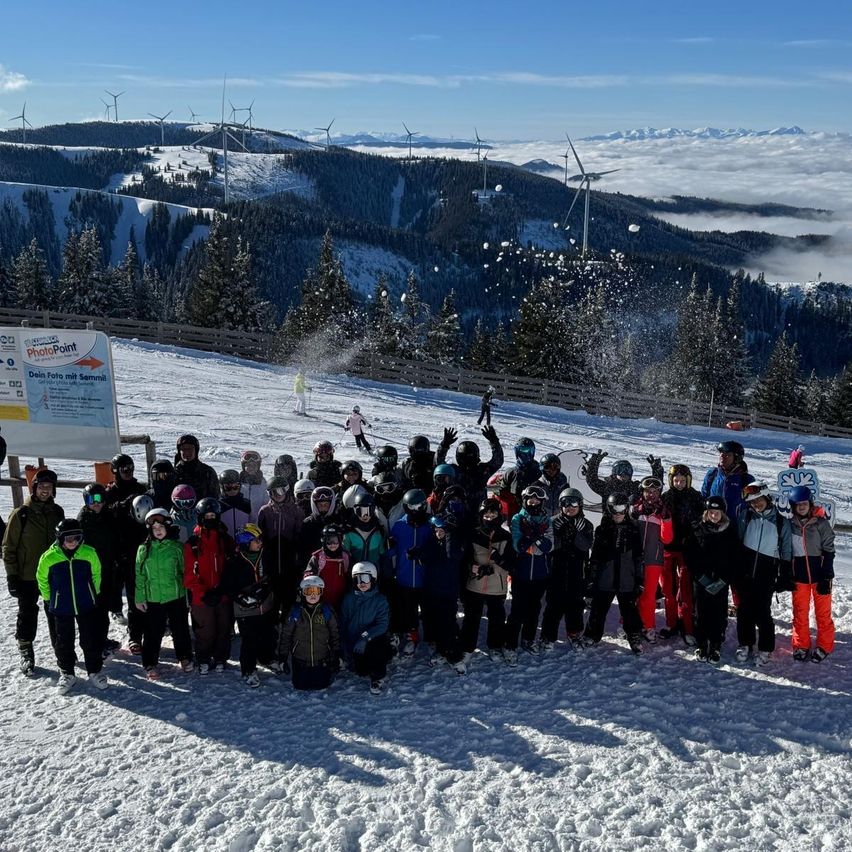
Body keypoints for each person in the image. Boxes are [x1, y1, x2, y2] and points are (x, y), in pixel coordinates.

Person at [3, 468, 64, 676]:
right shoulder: (21, 513)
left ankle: (61, 652)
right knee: (27, 613)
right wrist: (12, 575)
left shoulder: (57, 513)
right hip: (27, 575)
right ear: (34, 488)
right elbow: (8, 547)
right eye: (42, 487)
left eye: (49, 487)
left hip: (52, 575)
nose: (45, 491)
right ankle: (26, 651)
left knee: (55, 614)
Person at [36, 519, 107, 693]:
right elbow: (42, 579)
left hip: (85, 604)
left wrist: (93, 592)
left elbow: (97, 573)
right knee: (63, 641)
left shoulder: (88, 553)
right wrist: (49, 598)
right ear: (60, 538)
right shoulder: (49, 557)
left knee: (90, 639)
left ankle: (94, 671)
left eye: (77, 537)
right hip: (61, 606)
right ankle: (67, 673)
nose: (72, 542)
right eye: (68, 538)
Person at [734, 481, 792, 666]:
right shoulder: (746, 516)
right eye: (752, 502)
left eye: (759, 500)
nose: (756, 504)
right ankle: (745, 643)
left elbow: (786, 550)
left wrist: (784, 574)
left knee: (762, 612)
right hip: (745, 568)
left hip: (766, 571)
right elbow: (739, 541)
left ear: (767, 498)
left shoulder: (781, 521)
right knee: (744, 610)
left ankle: (766, 648)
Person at [134, 508, 193, 679]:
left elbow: (185, 572)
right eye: (154, 528)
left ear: (168, 527)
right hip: (154, 598)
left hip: (176, 596)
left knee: (180, 628)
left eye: (161, 527)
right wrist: (140, 598)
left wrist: (188, 595)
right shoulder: (144, 550)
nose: (158, 530)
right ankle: (150, 662)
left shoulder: (177, 548)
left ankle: (185, 657)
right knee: (153, 631)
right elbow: (140, 575)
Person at [582, 493, 644, 654]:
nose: (618, 513)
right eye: (614, 509)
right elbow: (595, 557)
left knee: (629, 610)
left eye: (622, 509)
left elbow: (638, 557)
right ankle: (592, 634)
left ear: (627, 510)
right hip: (606, 577)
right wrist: (592, 579)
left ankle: (634, 637)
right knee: (598, 608)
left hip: (626, 577)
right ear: (609, 510)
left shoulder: (633, 529)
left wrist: (639, 579)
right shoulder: (602, 530)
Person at [221, 523, 279, 687]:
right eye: (256, 540)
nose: (260, 543)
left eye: (261, 539)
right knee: (250, 640)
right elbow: (228, 586)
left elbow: (273, 575)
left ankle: (267, 658)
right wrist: (241, 597)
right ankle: (248, 669)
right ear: (246, 543)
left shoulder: (265, 555)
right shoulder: (234, 561)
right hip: (245, 610)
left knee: (268, 634)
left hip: (265, 605)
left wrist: (267, 588)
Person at [685, 496, 739, 664]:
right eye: (711, 512)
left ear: (722, 513)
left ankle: (715, 644)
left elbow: (735, 557)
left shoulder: (729, 530)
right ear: (706, 512)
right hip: (702, 579)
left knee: (718, 612)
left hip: (720, 580)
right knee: (701, 611)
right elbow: (690, 554)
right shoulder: (697, 528)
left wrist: (724, 579)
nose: (714, 516)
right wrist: (701, 577)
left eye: (717, 513)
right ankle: (701, 643)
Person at [460, 497, 514, 663]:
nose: (489, 518)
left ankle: (495, 646)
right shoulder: (475, 534)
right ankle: (467, 648)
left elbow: (512, 563)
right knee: (471, 617)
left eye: (493, 515)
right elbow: (464, 559)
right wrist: (473, 567)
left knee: (497, 618)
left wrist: (499, 560)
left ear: (499, 515)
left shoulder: (505, 536)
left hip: (497, 585)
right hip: (475, 583)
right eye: (486, 515)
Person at [540, 488, 594, 650]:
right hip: (556, 569)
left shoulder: (586, 524)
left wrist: (577, 533)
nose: (570, 507)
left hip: (577, 570)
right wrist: (558, 535)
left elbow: (585, 546)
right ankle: (548, 636)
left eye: (574, 503)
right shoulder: (552, 522)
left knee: (575, 604)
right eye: (565, 503)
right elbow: (548, 547)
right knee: (553, 605)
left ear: (580, 505)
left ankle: (574, 633)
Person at [184, 498, 233, 673]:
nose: (210, 519)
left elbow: (231, 568)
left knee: (223, 628)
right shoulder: (193, 543)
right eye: (206, 516)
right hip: (201, 597)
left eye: (213, 515)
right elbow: (189, 574)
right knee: (205, 631)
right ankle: (203, 658)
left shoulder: (225, 540)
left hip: (222, 595)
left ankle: (220, 657)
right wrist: (203, 592)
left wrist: (222, 590)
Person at [505, 484, 553, 664]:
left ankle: (528, 639)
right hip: (521, 573)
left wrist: (534, 537)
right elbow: (519, 545)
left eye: (536, 499)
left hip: (540, 574)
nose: (533, 501)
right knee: (517, 611)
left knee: (534, 610)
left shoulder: (547, 520)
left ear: (542, 501)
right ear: (524, 500)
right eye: (529, 499)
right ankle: (510, 644)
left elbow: (549, 547)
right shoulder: (518, 518)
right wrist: (534, 539)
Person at [788, 485, 835, 662]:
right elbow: (787, 550)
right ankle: (801, 645)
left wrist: (827, 575)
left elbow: (829, 549)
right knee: (800, 612)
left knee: (823, 614)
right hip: (799, 577)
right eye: (798, 504)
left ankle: (825, 645)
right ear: (793, 506)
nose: (802, 507)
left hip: (820, 576)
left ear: (810, 503)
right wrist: (787, 573)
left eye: (805, 503)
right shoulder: (790, 525)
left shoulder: (820, 523)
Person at [383, 488, 433, 656]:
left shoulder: (430, 525)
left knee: (427, 609)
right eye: (411, 507)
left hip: (425, 577)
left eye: (419, 506)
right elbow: (393, 552)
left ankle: (432, 637)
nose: (415, 510)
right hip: (405, 577)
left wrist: (423, 554)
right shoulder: (400, 525)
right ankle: (412, 636)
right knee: (409, 610)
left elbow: (436, 548)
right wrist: (389, 549)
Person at [660, 464, 704, 645]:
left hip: (687, 550)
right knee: (668, 590)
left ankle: (687, 626)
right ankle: (672, 623)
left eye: (683, 481)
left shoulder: (695, 497)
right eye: (676, 480)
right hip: (668, 549)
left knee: (684, 590)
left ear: (689, 480)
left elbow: (702, 521)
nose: (679, 484)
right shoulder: (665, 498)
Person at [77, 483, 121, 658]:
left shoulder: (108, 516)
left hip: (107, 568)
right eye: (91, 499)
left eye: (99, 499)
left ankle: (102, 640)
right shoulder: (83, 520)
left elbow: (116, 538)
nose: (96, 503)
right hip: (90, 572)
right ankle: (93, 644)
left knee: (103, 607)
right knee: (92, 610)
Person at [104, 453, 147, 626]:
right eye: (124, 469)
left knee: (134, 579)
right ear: (115, 471)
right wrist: (122, 505)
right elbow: (105, 512)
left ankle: (136, 615)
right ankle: (115, 609)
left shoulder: (139, 488)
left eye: (130, 468)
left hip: (136, 539)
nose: (128, 472)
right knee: (116, 579)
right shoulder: (110, 491)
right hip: (117, 540)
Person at [277, 576, 340, 691]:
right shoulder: (295, 612)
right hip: (301, 661)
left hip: (321, 660)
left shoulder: (326, 611)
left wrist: (336, 655)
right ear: (302, 593)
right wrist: (283, 657)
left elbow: (335, 634)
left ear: (321, 593)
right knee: (300, 686)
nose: (313, 595)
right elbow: (286, 635)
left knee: (321, 686)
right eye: (308, 591)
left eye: (316, 591)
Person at [421, 515, 467, 674]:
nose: (439, 533)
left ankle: (455, 656)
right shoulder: (431, 543)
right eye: (437, 531)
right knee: (436, 622)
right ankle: (441, 650)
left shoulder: (453, 544)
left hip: (449, 590)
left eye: (443, 531)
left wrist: (448, 536)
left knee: (449, 623)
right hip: (433, 589)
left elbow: (452, 555)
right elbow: (424, 555)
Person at [631, 476, 674, 643]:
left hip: (653, 559)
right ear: (642, 492)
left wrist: (666, 519)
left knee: (648, 595)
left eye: (655, 491)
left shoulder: (663, 512)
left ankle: (648, 626)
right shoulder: (635, 509)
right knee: (633, 593)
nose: (651, 494)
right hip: (635, 559)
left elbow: (667, 539)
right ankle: (628, 623)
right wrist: (633, 514)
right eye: (648, 491)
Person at [339, 562, 392, 694]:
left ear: (373, 579)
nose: (362, 583)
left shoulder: (380, 600)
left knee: (378, 646)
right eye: (357, 579)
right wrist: (344, 646)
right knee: (361, 671)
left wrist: (365, 637)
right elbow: (343, 623)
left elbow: (382, 624)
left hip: (371, 641)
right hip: (354, 643)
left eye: (366, 579)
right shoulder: (348, 599)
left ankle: (378, 678)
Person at [257, 475, 303, 618]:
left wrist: (297, 557)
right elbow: (260, 535)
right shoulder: (265, 511)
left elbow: (300, 534)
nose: (277, 495)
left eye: (280, 491)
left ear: (287, 491)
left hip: (289, 560)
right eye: (273, 492)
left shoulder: (296, 510)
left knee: (288, 596)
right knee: (272, 597)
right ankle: (272, 628)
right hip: (271, 560)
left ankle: (287, 625)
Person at [434, 425, 504, 515]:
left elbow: (438, 464)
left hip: (476, 515)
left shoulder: (457, 471)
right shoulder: (481, 470)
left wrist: (444, 445)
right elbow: (498, 460)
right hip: (461, 513)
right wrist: (494, 441)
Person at [701, 441, 754, 521]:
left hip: (735, 526)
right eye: (721, 453)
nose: (722, 456)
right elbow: (703, 498)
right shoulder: (712, 474)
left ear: (736, 458)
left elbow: (752, 505)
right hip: (713, 522)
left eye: (727, 455)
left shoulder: (746, 479)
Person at [584, 453, 664, 504]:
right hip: (609, 524)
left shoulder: (635, 488)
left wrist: (657, 472)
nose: (624, 473)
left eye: (627, 470)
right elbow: (592, 481)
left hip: (630, 524)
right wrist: (593, 465)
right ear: (614, 473)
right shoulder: (607, 487)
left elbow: (654, 489)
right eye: (619, 469)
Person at [304, 524, 351, 610]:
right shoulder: (318, 557)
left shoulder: (345, 556)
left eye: (335, 541)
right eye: (329, 541)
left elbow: (349, 575)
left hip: (340, 597)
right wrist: (309, 578)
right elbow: (309, 573)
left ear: (340, 541)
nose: (332, 544)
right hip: (322, 598)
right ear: (324, 541)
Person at [343, 491, 387, 567]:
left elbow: (382, 554)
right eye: (360, 511)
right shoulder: (349, 531)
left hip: (374, 571)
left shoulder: (379, 530)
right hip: (355, 571)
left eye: (369, 511)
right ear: (355, 510)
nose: (365, 515)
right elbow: (345, 554)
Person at [501, 437, 541, 519]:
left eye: (527, 451)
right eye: (521, 451)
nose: (524, 455)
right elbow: (501, 492)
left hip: (536, 517)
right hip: (515, 516)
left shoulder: (539, 473)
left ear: (532, 452)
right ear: (516, 452)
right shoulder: (510, 473)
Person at [174, 434, 220, 499]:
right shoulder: (174, 472)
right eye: (183, 449)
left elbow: (215, 497)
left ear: (196, 450)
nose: (187, 452)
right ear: (179, 451)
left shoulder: (207, 472)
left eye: (190, 449)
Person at [218, 470, 251, 538]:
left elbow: (252, 523)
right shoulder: (219, 505)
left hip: (243, 542)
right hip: (225, 542)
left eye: (236, 487)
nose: (232, 490)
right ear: (222, 487)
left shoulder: (245, 503)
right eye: (228, 487)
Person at [239, 450, 268, 521]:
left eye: (254, 465)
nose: (251, 467)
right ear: (243, 466)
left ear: (258, 466)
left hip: (257, 524)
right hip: (240, 523)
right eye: (248, 465)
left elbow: (267, 503)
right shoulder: (238, 483)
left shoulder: (263, 483)